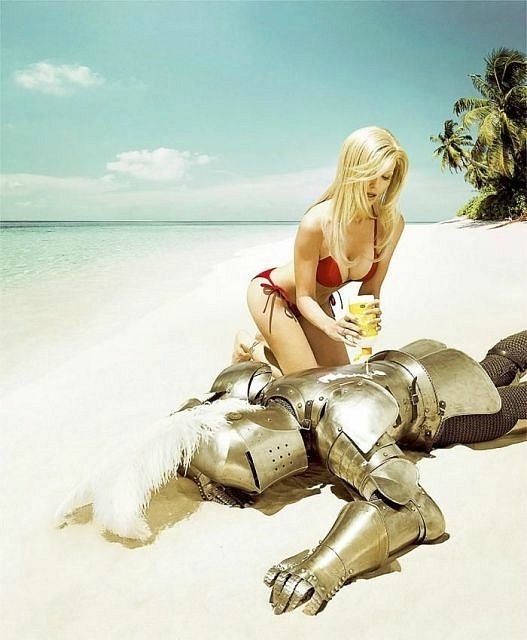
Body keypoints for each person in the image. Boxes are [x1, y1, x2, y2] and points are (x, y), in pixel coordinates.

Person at [57, 331, 527, 615]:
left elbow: (414, 507)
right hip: (398, 362)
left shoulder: (340, 420)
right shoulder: (261, 389)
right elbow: (199, 412)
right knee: (499, 362)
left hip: (442, 407)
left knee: (507, 396)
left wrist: (327, 564)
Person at [233, 126, 409, 377]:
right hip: (274, 296)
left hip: (319, 303)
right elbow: (304, 296)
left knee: (340, 380)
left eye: (385, 177)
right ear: (351, 169)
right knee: (306, 385)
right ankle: (249, 346)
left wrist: (369, 316)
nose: (376, 185)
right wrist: (330, 326)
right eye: (370, 174)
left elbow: (371, 288)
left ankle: (282, 346)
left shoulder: (390, 225)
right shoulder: (316, 222)